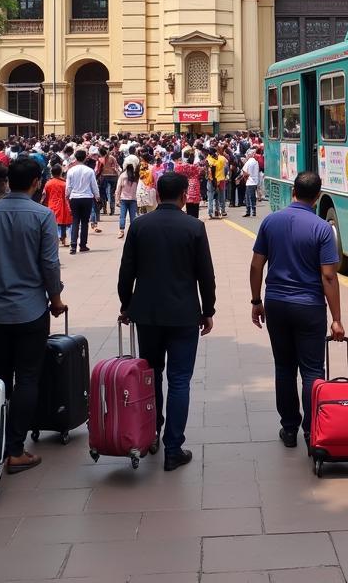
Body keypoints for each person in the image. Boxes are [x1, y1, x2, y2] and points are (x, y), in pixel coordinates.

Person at [0, 157, 66, 475]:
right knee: (28, 378)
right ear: (36, 182)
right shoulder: (42, 215)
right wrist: (56, 298)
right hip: (32, 310)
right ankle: (15, 449)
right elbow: (49, 264)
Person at [118, 171, 215, 471]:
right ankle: (174, 447)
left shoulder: (140, 225)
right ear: (185, 195)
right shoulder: (194, 227)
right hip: (184, 315)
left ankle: (151, 435)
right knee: (180, 380)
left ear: (157, 194)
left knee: (152, 375)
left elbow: (126, 272)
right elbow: (205, 275)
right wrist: (208, 310)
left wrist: (126, 304)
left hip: (147, 315)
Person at [249, 170, 344, 449]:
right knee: (313, 371)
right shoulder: (322, 228)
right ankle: (313, 431)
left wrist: (256, 301)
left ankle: (288, 428)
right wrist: (336, 318)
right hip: (310, 307)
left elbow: (257, 265)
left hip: (276, 303)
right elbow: (328, 276)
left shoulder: (271, 221)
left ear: (293, 191)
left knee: (284, 368)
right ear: (317, 198)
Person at [64, 149, 99, 254]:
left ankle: (73, 245)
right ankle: (83, 245)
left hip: (74, 197)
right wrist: (97, 196)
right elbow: (94, 185)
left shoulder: (71, 170)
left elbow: (68, 186)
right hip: (86, 198)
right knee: (84, 222)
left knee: (75, 221)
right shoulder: (89, 171)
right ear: (85, 158)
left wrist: (67, 195)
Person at [42, 164, 71, 245]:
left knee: (53, 223)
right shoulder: (64, 184)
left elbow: (44, 195)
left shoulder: (48, 183)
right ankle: (63, 239)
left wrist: (42, 204)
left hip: (51, 205)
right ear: (61, 172)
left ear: (51, 172)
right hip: (63, 205)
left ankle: (56, 238)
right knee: (63, 223)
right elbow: (68, 195)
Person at [173, 147, 205, 220]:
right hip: (196, 185)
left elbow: (176, 171)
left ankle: (190, 219)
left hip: (188, 186)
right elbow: (202, 173)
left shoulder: (183, 166)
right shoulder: (197, 167)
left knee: (189, 205)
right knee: (195, 206)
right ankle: (195, 220)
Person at [117, 160, 139, 238]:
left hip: (124, 199)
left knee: (122, 216)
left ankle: (121, 231)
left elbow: (118, 188)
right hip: (133, 199)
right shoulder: (136, 176)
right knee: (133, 217)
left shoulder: (122, 176)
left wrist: (117, 199)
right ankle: (133, 232)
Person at [96, 147, 120, 216]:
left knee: (102, 193)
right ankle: (112, 210)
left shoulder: (100, 159)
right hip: (113, 176)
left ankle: (104, 209)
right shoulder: (112, 157)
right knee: (112, 193)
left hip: (104, 176)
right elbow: (116, 166)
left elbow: (98, 170)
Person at [241, 148, 261, 218]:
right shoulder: (256, 162)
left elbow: (244, 172)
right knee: (253, 197)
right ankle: (254, 211)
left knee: (248, 197)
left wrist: (245, 179)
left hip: (249, 182)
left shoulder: (248, 162)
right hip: (255, 182)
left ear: (249, 155)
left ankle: (248, 211)